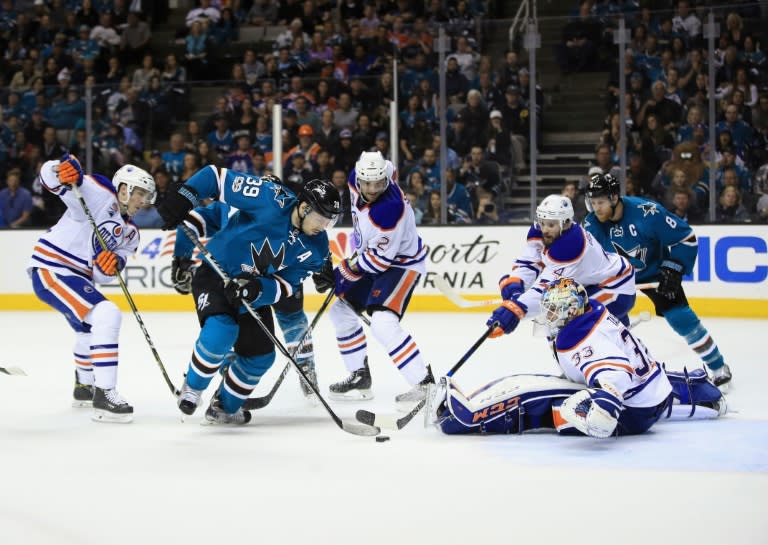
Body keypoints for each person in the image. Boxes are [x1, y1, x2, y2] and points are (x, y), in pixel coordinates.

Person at [157, 168, 340, 425]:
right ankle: (193, 387)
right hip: (216, 275)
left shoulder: (317, 247)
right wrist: (186, 195)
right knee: (223, 330)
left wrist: (256, 289)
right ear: (305, 207)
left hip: (249, 294)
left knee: (261, 355)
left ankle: (225, 405)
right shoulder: (269, 198)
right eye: (322, 219)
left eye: (330, 223)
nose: (324, 228)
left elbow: (286, 285)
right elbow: (215, 177)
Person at [436, 278, 726, 436]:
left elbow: (616, 377)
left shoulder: (584, 342)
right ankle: (701, 391)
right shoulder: (591, 310)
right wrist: (514, 313)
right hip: (654, 392)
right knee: (644, 376)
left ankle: (468, 419)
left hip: (630, 413)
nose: (547, 316)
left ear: (567, 313)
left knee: (532, 389)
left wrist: (602, 404)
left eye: (552, 312)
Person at [27, 156, 156, 423]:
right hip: (54, 267)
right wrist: (59, 169)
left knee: (88, 328)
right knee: (106, 313)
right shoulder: (99, 193)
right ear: (124, 189)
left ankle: (84, 387)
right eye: (140, 193)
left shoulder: (131, 234)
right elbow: (49, 179)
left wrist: (109, 266)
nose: (143, 201)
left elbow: (102, 275)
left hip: (78, 276)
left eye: (146, 196)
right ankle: (105, 393)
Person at [583, 173, 732, 389]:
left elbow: (686, 238)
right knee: (607, 324)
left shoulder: (647, 213)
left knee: (680, 317)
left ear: (615, 198)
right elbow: (585, 259)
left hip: (652, 274)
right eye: (593, 203)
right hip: (615, 279)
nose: (596, 209)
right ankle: (614, 372)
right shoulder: (590, 224)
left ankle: (718, 366)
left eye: (601, 202)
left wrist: (673, 267)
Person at [316, 151, 432, 405]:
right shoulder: (357, 177)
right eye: (367, 183)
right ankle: (359, 375)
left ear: (385, 180)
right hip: (373, 257)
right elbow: (388, 166)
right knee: (340, 310)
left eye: (379, 183)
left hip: (401, 264)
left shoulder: (389, 209)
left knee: (382, 323)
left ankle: (424, 384)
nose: (372, 189)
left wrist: (343, 272)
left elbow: (380, 262)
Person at [485, 194, 636, 344]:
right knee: (560, 322)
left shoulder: (571, 246)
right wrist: (515, 286)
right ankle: (622, 340)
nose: (544, 230)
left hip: (615, 288)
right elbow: (529, 262)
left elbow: (547, 292)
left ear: (566, 223)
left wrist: (515, 308)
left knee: (562, 324)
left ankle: (605, 352)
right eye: (542, 223)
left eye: (551, 225)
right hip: (593, 283)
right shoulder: (544, 231)